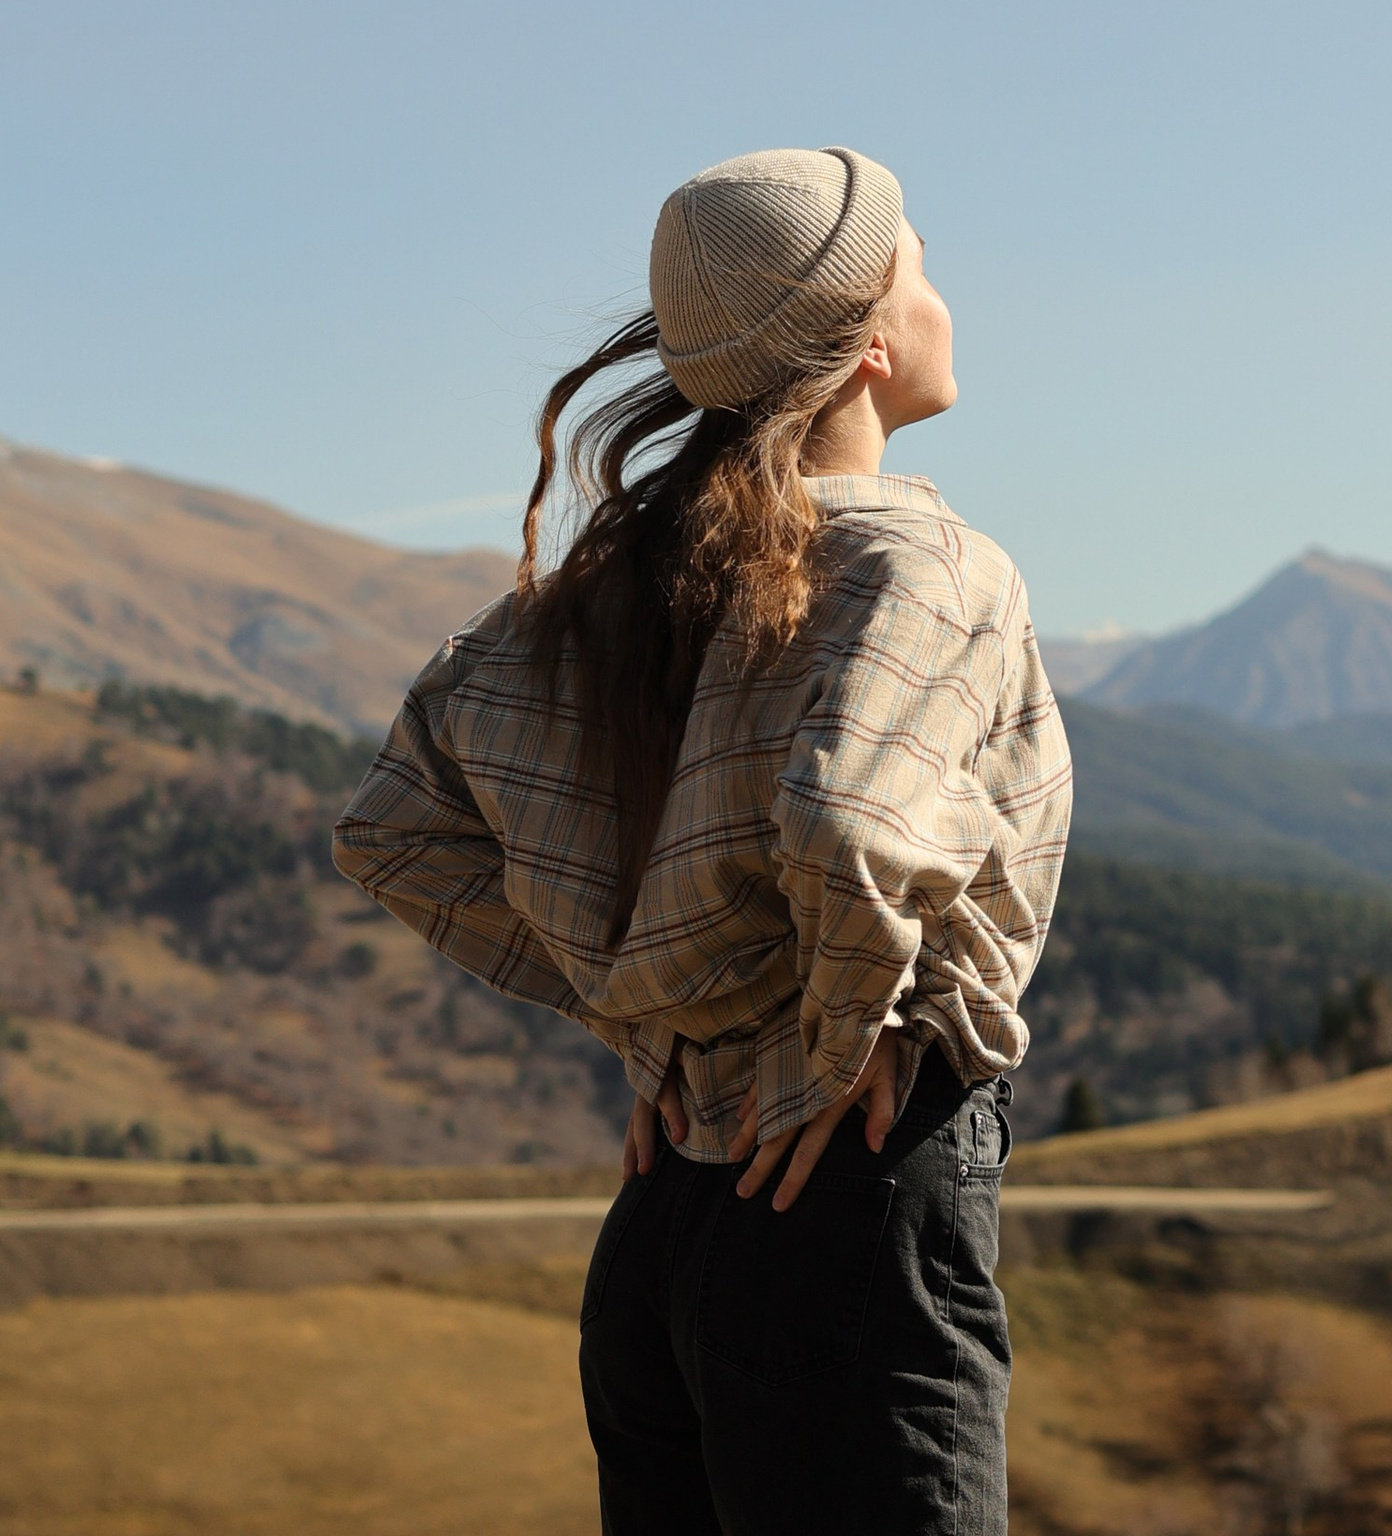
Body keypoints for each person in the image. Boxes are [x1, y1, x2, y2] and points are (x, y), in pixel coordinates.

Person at [333, 146, 1072, 1535]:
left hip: (666, 1230)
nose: (945, 298)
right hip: (845, 1204)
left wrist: (658, 1016)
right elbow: (846, 816)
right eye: (923, 265)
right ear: (864, 341)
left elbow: (395, 831)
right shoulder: (926, 564)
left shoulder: (610, 590)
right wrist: (839, 1034)